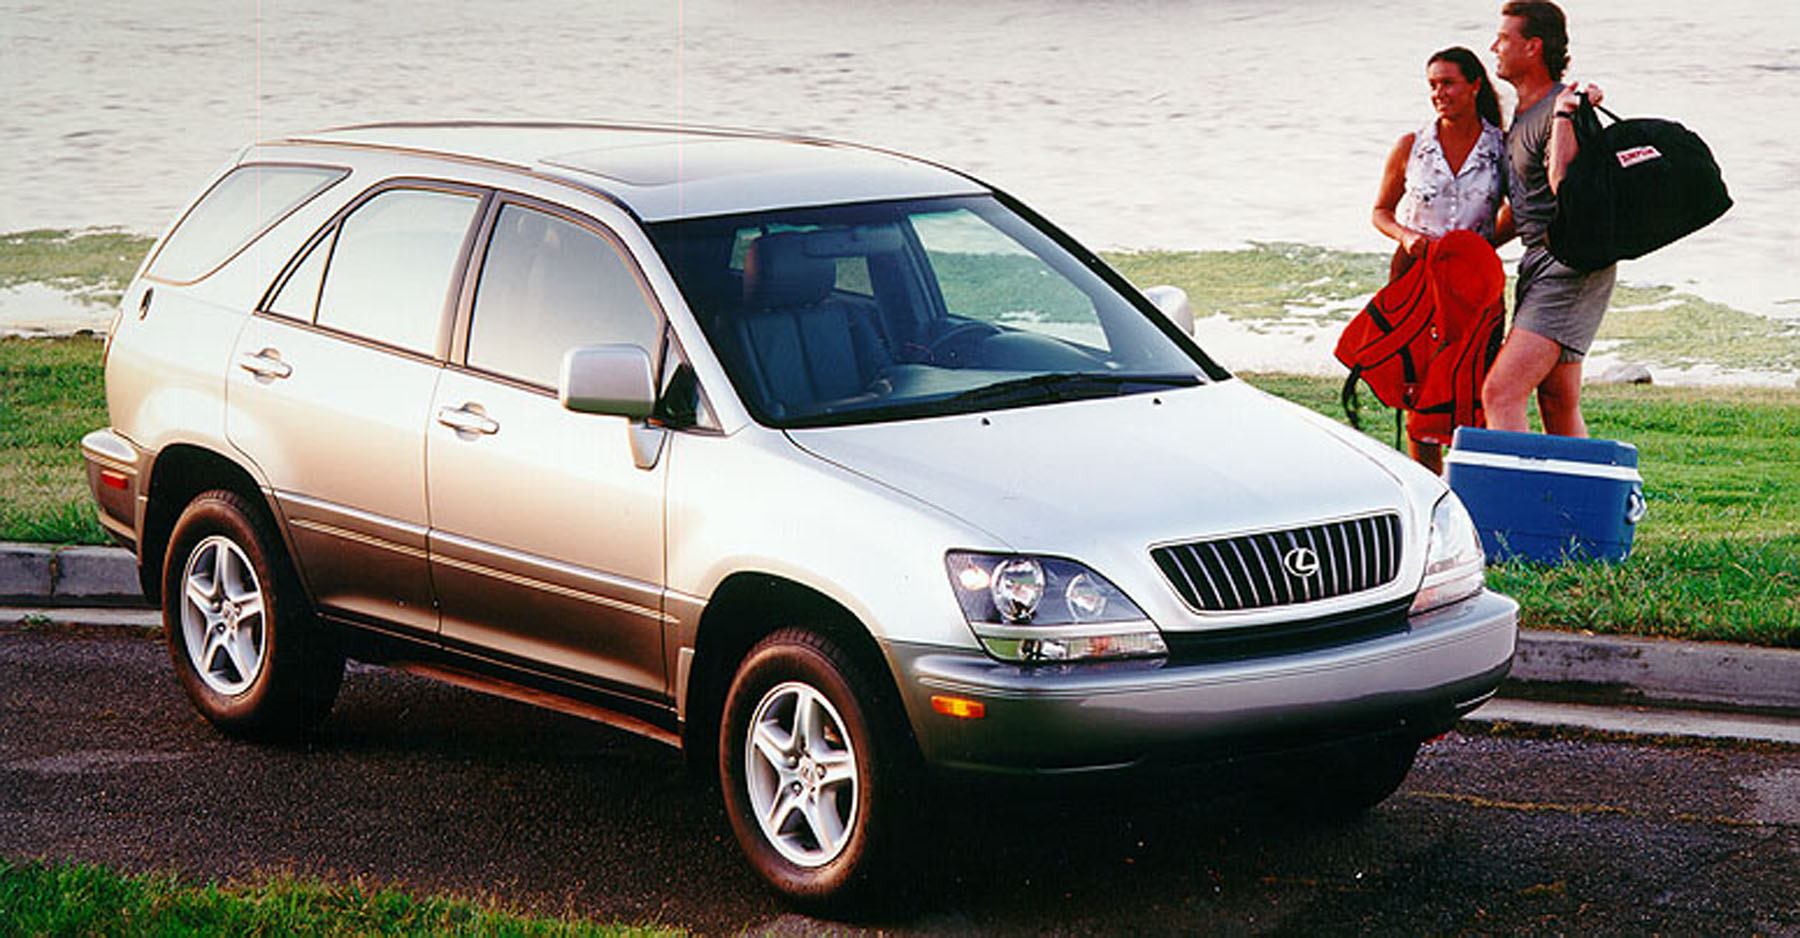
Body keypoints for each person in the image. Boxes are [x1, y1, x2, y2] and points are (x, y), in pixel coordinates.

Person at [1370, 46, 1508, 472]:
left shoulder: (1501, 148)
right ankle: (1430, 488)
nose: (1439, 93)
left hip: (1474, 284)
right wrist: (1408, 237)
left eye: (1447, 82)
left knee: (1474, 387)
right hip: (1413, 278)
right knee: (1421, 391)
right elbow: (1380, 212)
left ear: (1474, 85)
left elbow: (1522, 211)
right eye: (1432, 85)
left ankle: (1471, 485)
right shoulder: (1412, 146)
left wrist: (1478, 250)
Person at [1482, 0, 1615, 437]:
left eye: (1504, 38)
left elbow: (1567, 190)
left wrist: (1564, 115)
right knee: (1557, 400)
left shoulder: (1566, 109)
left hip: (1568, 264)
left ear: (1533, 47)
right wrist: (1463, 249)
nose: (1494, 47)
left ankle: (1514, 502)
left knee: (1501, 392)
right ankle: (1576, 505)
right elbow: (1527, 207)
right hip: (1539, 260)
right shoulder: (1523, 114)